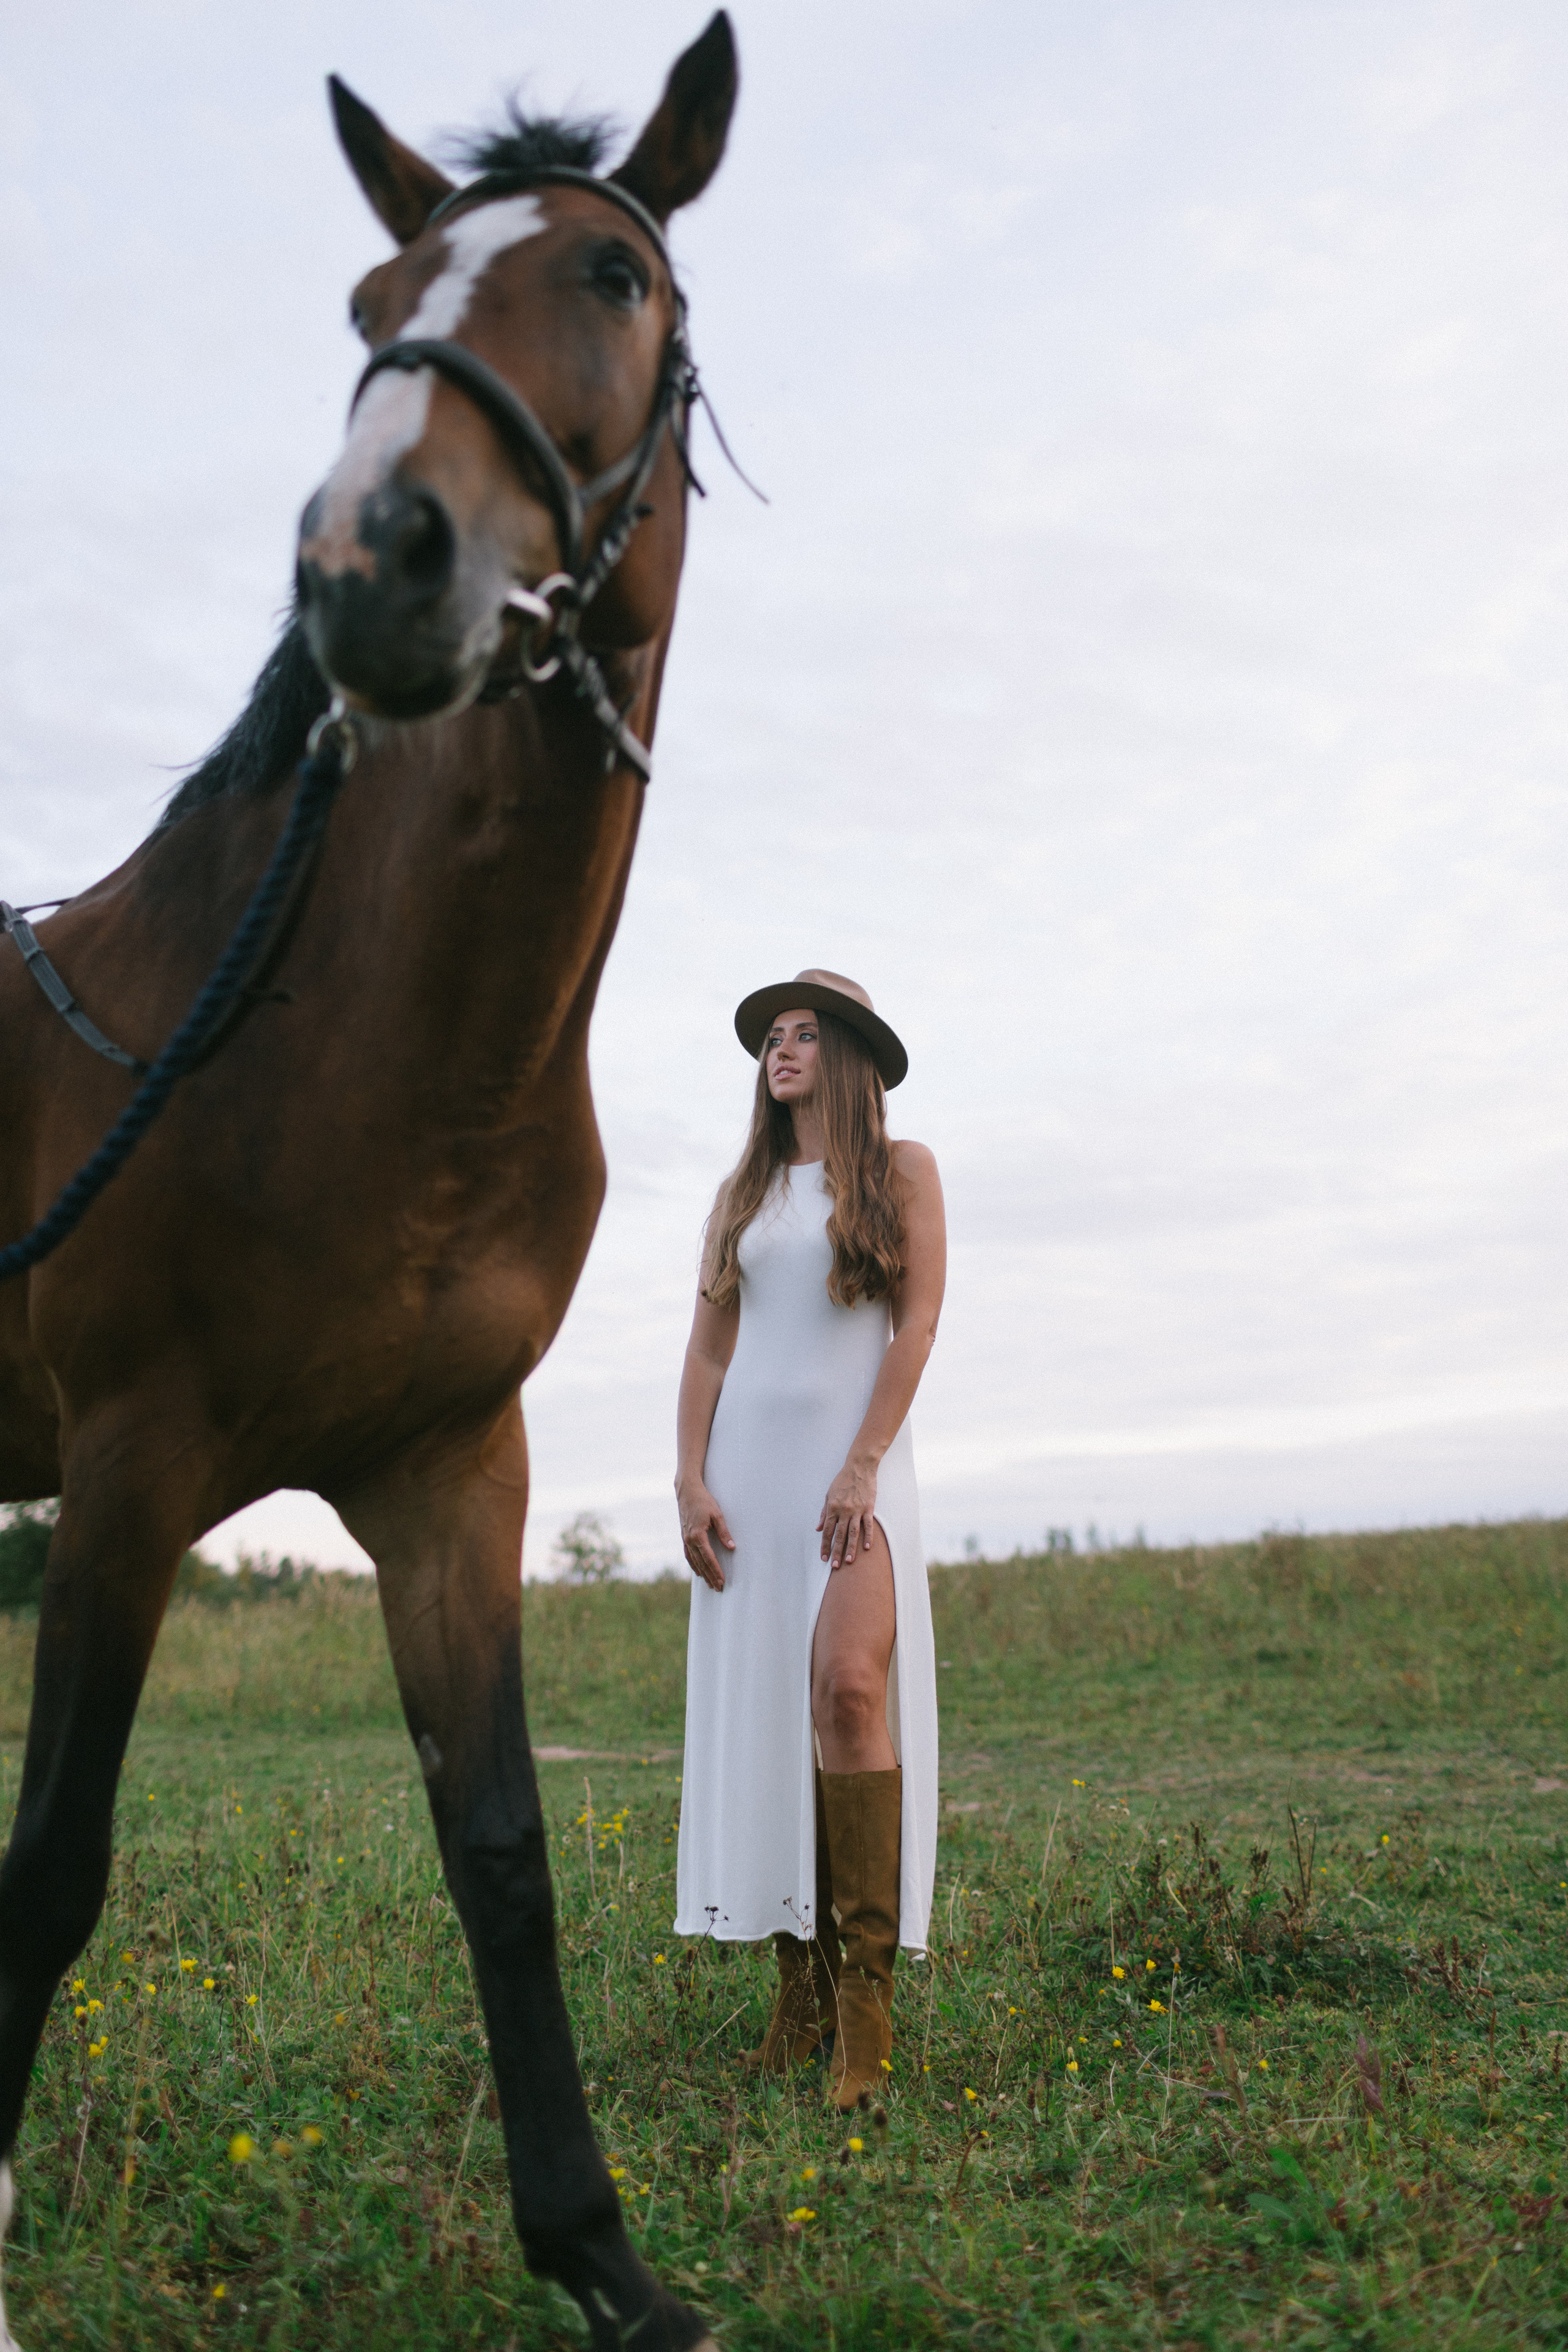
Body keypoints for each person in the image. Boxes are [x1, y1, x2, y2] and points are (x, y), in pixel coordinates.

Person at [673, 968, 945, 2111]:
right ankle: (802, 1987)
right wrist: (689, 1477)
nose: (780, 1050)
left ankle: (866, 2008)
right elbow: (708, 1351)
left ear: (849, 1054)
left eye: (803, 1034)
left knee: (847, 1691)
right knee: (776, 1722)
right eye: (771, 1037)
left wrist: (865, 1461)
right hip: (748, 1477)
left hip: (855, 1474)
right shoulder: (741, 1193)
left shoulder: (902, 1170)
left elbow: (916, 1326)